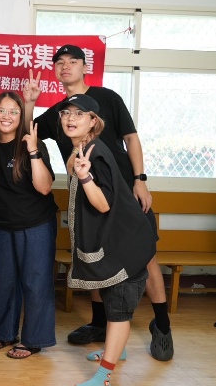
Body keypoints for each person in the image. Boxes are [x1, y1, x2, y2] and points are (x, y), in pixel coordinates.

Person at [24, 44, 173, 361]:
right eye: (60, 62)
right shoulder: (60, 112)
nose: (66, 66)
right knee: (92, 253)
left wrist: (140, 179)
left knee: (145, 254)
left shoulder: (107, 98)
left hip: (124, 191)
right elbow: (29, 132)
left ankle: (162, 325)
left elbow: (131, 138)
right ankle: (100, 323)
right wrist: (30, 103)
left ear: (84, 66)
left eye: (73, 61)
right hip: (87, 192)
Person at [57, 94, 156, 386]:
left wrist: (85, 178)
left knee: (118, 311)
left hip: (127, 247)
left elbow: (102, 205)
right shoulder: (82, 149)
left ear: (93, 121)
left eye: (79, 114)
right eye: (66, 113)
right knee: (113, 301)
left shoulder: (95, 154)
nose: (70, 118)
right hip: (118, 242)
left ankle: (103, 378)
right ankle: (117, 349)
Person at [0, 92, 59, 359]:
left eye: (13, 112)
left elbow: (44, 187)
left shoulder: (31, 143)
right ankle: (5, 333)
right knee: (3, 282)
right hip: (2, 225)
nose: (6, 116)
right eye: (1, 111)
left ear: (21, 116)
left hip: (36, 223)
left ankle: (33, 340)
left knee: (36, 282)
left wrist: (33, 151)